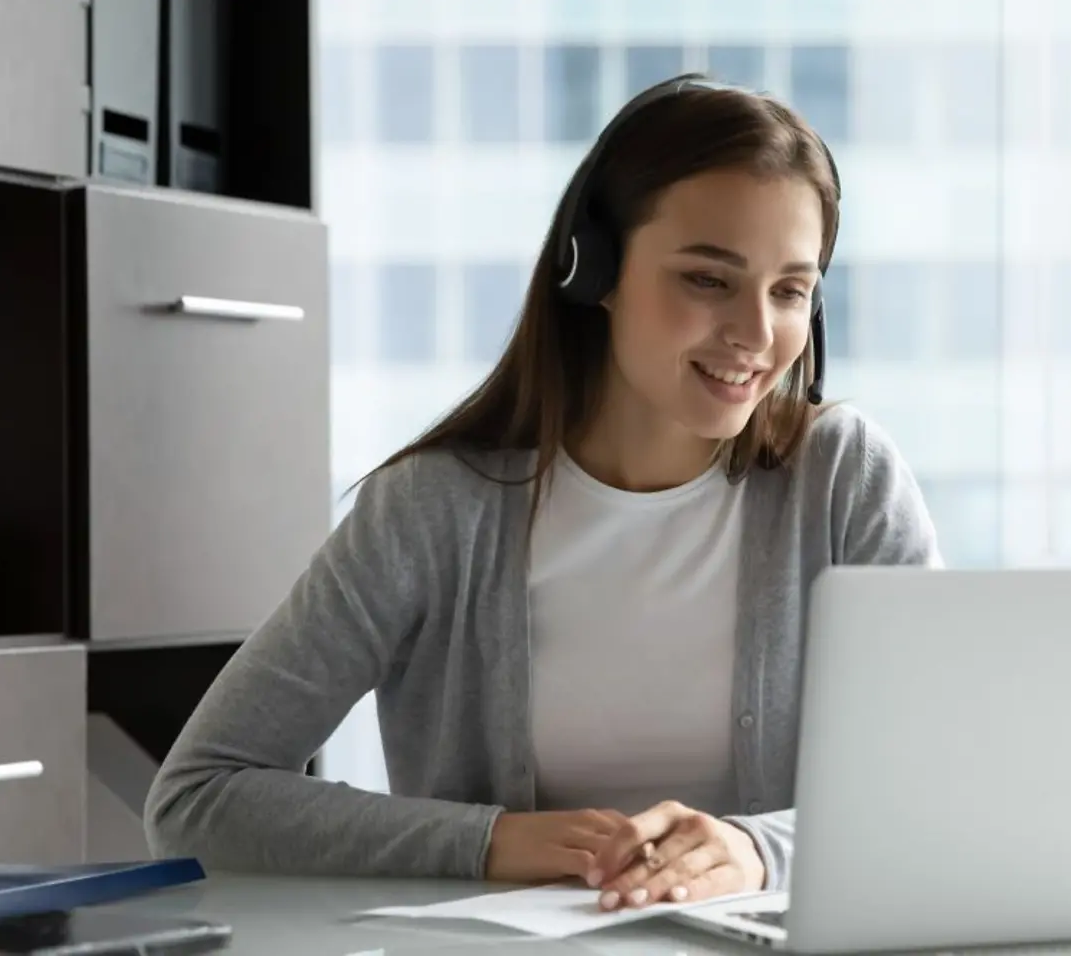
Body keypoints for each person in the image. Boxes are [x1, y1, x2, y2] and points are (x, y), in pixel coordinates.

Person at [143, 74, 941, 912]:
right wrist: (486, 841)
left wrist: (758, 849)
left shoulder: (844, 479)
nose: (754, 333)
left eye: (789, 291)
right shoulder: (433, 510)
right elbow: (198, 798)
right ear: (591, 268)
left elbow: (952, 786)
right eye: (708, 280)